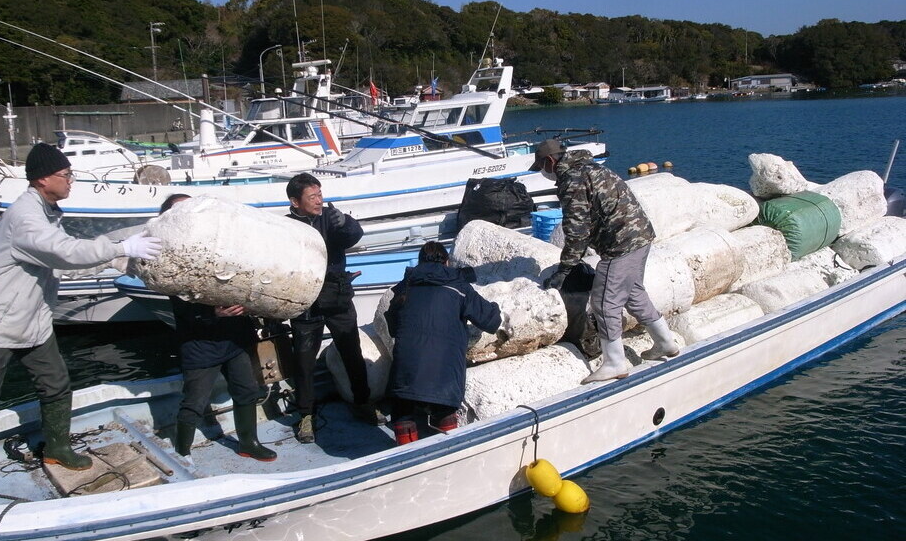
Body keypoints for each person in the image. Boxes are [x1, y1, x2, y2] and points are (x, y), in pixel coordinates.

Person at [0, 142, 162, 492]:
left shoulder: (46, 212)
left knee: (56, 384)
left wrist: (119, 258)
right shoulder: (25, 217)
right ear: (44, 179)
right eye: (66, 175)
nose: (71, 181)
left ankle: (57, 448)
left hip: (31, 320)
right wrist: (121, 247)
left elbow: (63, 257)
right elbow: (62, 250)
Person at [530, 139, 679, 384]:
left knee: (603, 301)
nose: (543, 173)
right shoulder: (592, 167)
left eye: (542, 168)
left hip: (620, 244)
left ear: (550, 161)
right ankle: (665, 342)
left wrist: (564, 269)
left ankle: (614, 363)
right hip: (640, 235)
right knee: (633, 293)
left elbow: (577, 231)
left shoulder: (572, 181)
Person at [158, 194, 276, 462]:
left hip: (234, 339)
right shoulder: (169, 259)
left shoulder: (222, 244)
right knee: (195, 402)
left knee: (246, 390)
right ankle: (182, 452)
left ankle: (249, 442)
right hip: (199, 345)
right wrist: (213, 313)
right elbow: (181, 308)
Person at [285, 172, 384, 444]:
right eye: (312, 196)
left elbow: (353, 234)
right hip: (306, 303)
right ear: (295, 202)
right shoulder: (286, 227)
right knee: (304, 362)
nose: (319, 200)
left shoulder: (330, 217)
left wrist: (348, 223)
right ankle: (306, 414)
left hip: (338, 299)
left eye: (320, 194)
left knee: (351, 353)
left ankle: (362, 403)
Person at [384, 241, 502, 445]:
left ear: (420, 262)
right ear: (447, 262)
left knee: (402, 411)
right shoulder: (459, 286)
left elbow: (393, 328)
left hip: (405, 374)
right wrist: (495, 305)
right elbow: (491, 321)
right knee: (444, 407)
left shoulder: (405, 286)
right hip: (444, 375)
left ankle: (405, 457)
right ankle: (448, 449)